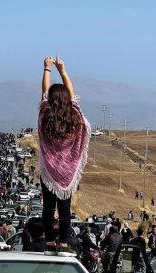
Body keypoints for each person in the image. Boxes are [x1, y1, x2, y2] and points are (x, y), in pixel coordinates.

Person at [39, 56, 91, 257]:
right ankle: (63, 244)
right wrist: (63, 71)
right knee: (64, 208)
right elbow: (73, 95)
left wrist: (47, 69)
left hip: (49, 172)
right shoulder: (75, 116)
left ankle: (50, 242)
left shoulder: (45, 115)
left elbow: (44, 91)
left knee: (48, 208)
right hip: (68, 172)